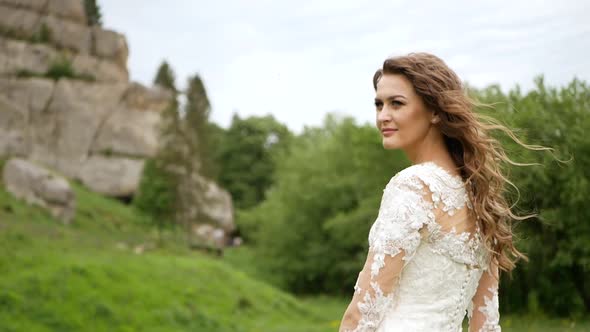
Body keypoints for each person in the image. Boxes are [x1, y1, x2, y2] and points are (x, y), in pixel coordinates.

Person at [339, 53, 549, 332]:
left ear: (435, 111)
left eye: (396, 104)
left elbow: (362, 313)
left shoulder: (413, 186)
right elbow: (486, 325)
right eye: (379, 104)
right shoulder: (481, 198)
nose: (383, 116)